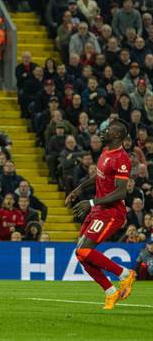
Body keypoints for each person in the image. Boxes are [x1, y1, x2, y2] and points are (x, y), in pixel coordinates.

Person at [65, 120, 136, 309]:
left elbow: (121, 192)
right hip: (99, 210)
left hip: (111, 212)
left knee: (84, 250)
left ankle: (125, 274)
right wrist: (79, 189)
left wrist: (90, 202)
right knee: (80, 255)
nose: (103, 131)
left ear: (117, 136)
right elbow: (100, 175)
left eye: (108, 130)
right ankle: (110, 291)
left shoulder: (122, 159)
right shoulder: (105, 153)